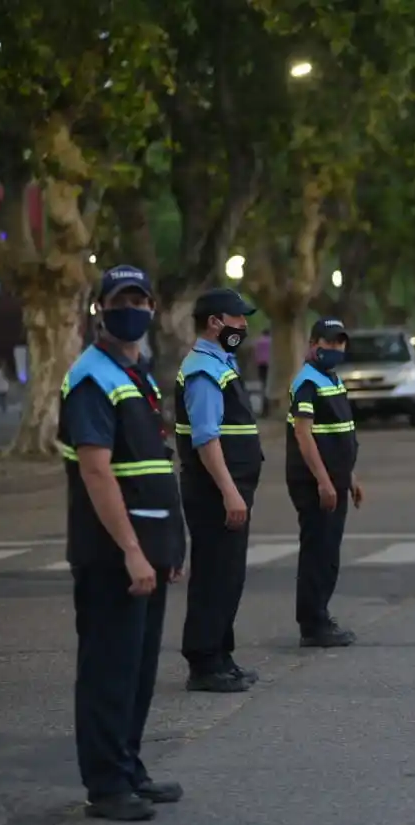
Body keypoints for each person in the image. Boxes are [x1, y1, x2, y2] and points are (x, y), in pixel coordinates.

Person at [58, 265, 185, 821]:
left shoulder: (138, 375)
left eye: (139, 300)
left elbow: (154, 466)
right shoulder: (92, 378)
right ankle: (107, 785)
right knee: (110, 671)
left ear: (152, 309)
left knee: (137, 671)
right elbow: (96, 471)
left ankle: (129, 768)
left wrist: (169, 547)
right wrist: (132, 551)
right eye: (119, 301)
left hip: (148, 549)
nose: (130, 310)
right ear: (100, 310)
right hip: (111, 552)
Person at [174, 288, 264, 692]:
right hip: (213, 490)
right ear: (215, 322)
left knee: (228, 575)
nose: (243, 325)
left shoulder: (219, 362)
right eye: (238, 318)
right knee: (214, 575)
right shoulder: (203, 371)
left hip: (227, 487)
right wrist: (229, 491)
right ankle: (204, 662)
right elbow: (206, 438)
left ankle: (221, 656)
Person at [287, 318, 365, 647]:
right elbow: (303, 434)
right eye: (328, 342)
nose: (335, 348)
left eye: (339, 342)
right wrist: (322, 480)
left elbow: (340, 432)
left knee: (329, 550)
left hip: (336, 479)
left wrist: (349, 477)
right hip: (314, 482)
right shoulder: (307, 382)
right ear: (313, 344)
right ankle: (312, 623)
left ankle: (320, 614)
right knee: (318, 551)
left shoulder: (332, 379)